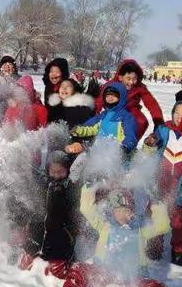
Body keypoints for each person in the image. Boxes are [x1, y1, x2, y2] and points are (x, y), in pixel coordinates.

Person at [39, 184, 178, 287]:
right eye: (118, 210)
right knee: (79, 268)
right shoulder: (104, 225)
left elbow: (162, 225)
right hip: (104, 272)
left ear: (132, 211)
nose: (123, 214)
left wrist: (157, 202)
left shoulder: (140, 230)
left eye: (127, 210)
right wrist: (89, 187)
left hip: (134, 279)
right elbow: (86, 210)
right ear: (112, 212)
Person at [13, 151, 79, 270]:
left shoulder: (70, 187)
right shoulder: (43, 184)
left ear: (67, 171)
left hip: (60, 238)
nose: (56, 175)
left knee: (55, 266)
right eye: (53, 172)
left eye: (61, 172)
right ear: (48, 171)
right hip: (38, 234)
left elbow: (73, 212)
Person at [144, 100, 182, 265]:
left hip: (179, 185)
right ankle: (154, 244)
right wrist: (150, 141)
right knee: (155, 212)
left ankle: (178, 250)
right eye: (177, 112)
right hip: (161, 180)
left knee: (177, 219)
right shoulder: (164, 129)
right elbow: (152, 144)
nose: (180, 117)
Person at [95, 59, 164, 141]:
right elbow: (99, 101)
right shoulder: (110, 86)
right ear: (120, 77)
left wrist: (158, 121)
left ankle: (130, 144)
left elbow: (152, 104)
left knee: (141, 121)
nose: (131, 82)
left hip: (131, 111)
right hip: (112, 112)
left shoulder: (139, 87)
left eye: (134, 79)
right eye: (128, 78)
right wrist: (93, 114)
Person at [66, 83, 138, 157]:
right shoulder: (103, 115)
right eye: (107, 95)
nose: (110, 98)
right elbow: (91, 128)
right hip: (99, 152)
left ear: (121, 97)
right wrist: (76, 129)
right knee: (80, 160)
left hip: (117, 155)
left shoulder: (126, 117)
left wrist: (125, 148)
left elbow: (130, 135)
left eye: (113, 95)